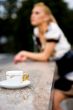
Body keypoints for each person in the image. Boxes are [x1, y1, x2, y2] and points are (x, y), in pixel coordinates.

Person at [14, 2, 73, 110]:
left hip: (70, 73)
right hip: (63, 72)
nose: (32, 15)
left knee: (50, 98)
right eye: (32, 13)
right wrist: (27, 58)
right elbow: (43, 55)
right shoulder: (37, 31)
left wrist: (23, 53)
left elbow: (45, 56)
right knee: (45, 96)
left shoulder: (53, 29)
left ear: (46, 17)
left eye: (37, 13)